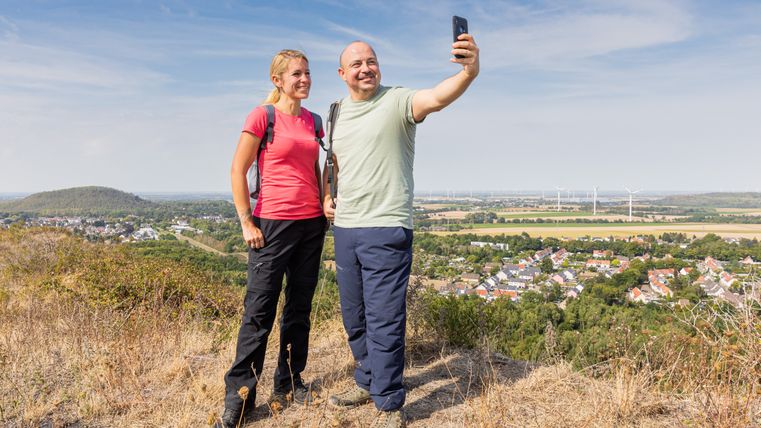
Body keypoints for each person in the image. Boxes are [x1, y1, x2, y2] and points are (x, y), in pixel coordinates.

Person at [322, 34, 480, 428]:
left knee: (385, 320)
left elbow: (437, 97)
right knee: (355, 317)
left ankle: (389, 404)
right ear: (342, 73)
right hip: (345, 228)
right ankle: (367, 381)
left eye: (371, 61)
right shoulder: (336, 111)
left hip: (385, 227)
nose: (366, 68)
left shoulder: (398, 101)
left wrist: (468, 72)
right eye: (356, 64)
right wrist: (327, 195)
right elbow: (334, 163)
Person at [220, 49, 326, 428]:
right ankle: (240, 399)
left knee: (299, 309)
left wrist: (324, 200)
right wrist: (246, 222)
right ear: (277, 80)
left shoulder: (314, 121)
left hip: (311, 224)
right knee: (259, 312)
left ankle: (289, 383)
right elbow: (238, 169)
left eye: (307, 73)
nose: (305, 79)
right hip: (272, 225)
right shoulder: (262, 117)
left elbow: (315, 167)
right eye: (297, 73)